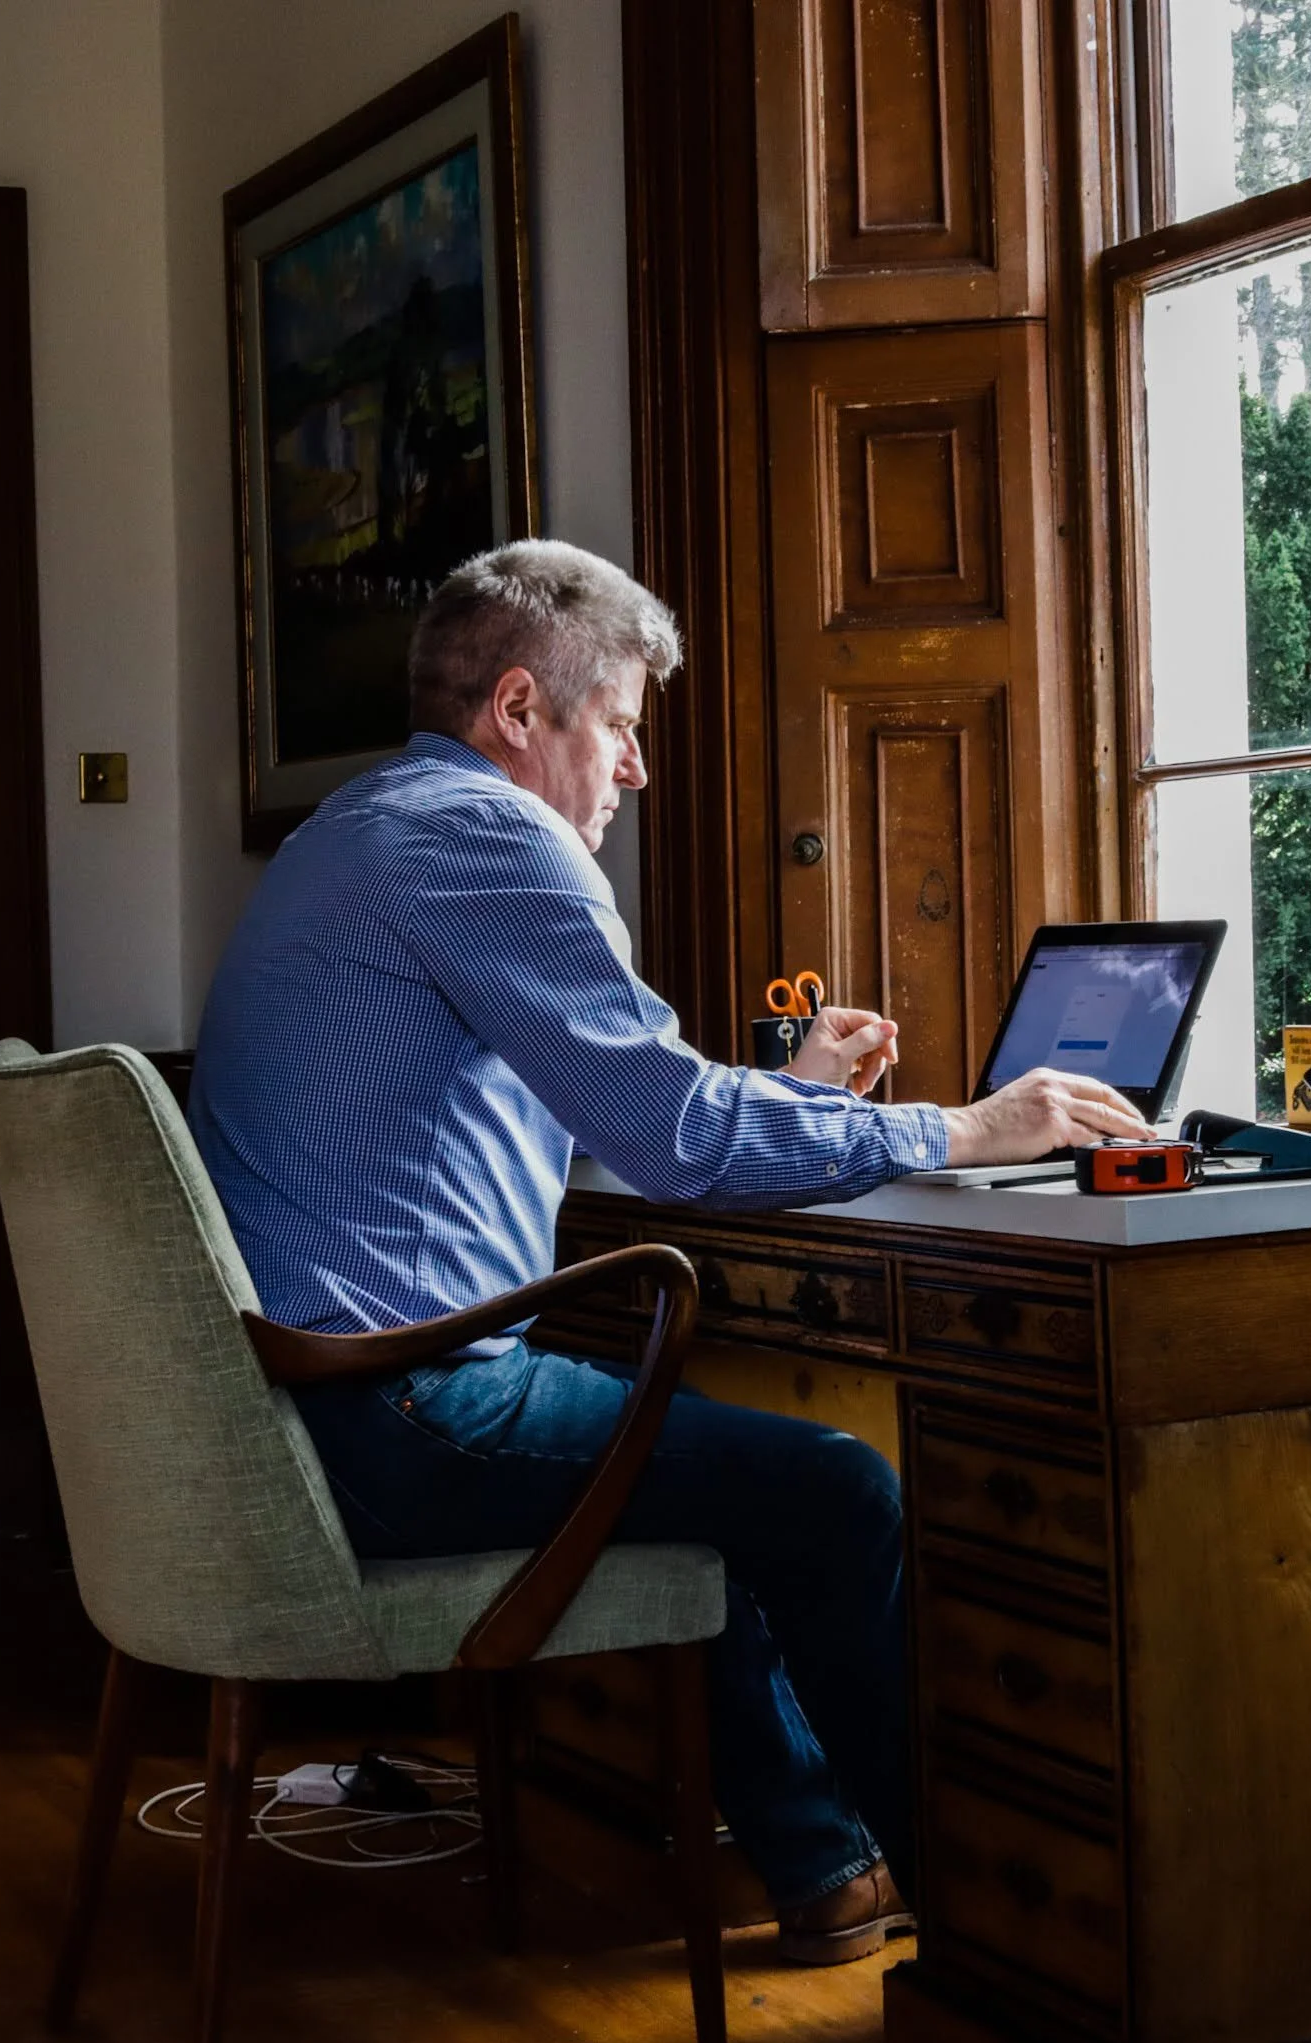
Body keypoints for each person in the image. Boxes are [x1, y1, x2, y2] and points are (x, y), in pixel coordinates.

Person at [189, 539, 1151, 1962]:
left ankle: (821, 1868)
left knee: (696, 1461)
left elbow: (616, 1107)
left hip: (302, 1413)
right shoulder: (487, 837)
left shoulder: (353, 829)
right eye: (624, 726)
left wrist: (806, 1104)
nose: (635, 771)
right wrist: (964, 1131)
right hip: (393, 1413)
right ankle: (996, 1938)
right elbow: (673, 1138)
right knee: (832, 1488)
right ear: (522, 711)